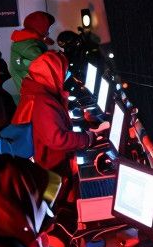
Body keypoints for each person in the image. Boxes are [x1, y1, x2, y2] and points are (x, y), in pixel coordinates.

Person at [13, 51, 108, 181]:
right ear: (52, 73)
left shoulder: (35, 93)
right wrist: (88, 138)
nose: (65, 76)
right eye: (63, 72)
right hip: (53, 173)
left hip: (46, 167)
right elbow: (57, 139)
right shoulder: (42, 101)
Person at [9, 11, 56, 90]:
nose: (48, 31)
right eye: (47, 27)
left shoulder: (25, 40)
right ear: (40, 27)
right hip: (33, 95)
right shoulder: (29, 46)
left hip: (30, 92)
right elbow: (46, 66)